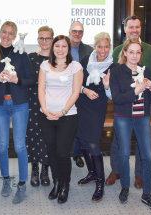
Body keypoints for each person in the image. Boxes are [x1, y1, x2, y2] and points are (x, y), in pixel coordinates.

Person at [0, 21, 35, 204]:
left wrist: (17, 79)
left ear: (15, 36)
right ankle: (6, 180)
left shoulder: (22, 55)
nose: (7, 36)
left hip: (20, 104)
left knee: (20, 146)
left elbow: (31, 80)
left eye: (11, 33)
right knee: (2, 145)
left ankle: (21, 184)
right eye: (4, 32)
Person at [107, 15, 151, 188]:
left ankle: (138, 174)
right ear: (125, 29)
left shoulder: (150, 49)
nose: (134, 30)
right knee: (118, 141)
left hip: (144, 102)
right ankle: (117, 170)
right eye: (131, 27)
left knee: (142, 142)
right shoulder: (117, 51)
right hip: (123, 105)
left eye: (137, 27)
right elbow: (115, 77)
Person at [38, 35, 83, 204]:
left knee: (63, 153)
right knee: (51, 151)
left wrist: (63, 111)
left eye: (64, 46)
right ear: (53, 48)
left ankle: (65, 185)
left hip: (68, 116)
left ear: (68, 48)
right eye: (57, 46)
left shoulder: (75, 67)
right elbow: (41, 88)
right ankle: (56, 183)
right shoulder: (45, 65)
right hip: (47, 115)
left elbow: (75, 92)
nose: (60, 49)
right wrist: (45, 108)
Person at [75, 32, 115, 202]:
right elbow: (77, 82)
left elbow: (112, 94)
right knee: (82, 140)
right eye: (100, 46)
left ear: (110, 47)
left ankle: (100, 182)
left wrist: (106, 87)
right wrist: (85, 90)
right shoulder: (85, 60)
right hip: (82, 104)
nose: (103, 50)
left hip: (97, 108)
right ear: (95, 46)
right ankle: (91, 173)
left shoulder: (114, 66)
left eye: (106, 46)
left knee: (93, 143)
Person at [27, 26, 53, 187]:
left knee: (48, 137)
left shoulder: (58, 58)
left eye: (47, 38)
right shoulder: (30, 58)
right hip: (33, 104)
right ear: (38, 40)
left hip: (52, 104)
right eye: (41, 38)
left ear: (52, 40)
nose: (44, 41)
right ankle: (35, 168)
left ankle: (45, 169)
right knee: (33, 136)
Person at [69, 21, 93, 168]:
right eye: (74, 31)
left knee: (80, 124)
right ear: (69, 32)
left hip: (83, 92)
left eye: (80, 31)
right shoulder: (61, 47)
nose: (77, 34)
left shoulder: (89, 50)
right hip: (64, 92)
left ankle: (77, 154)